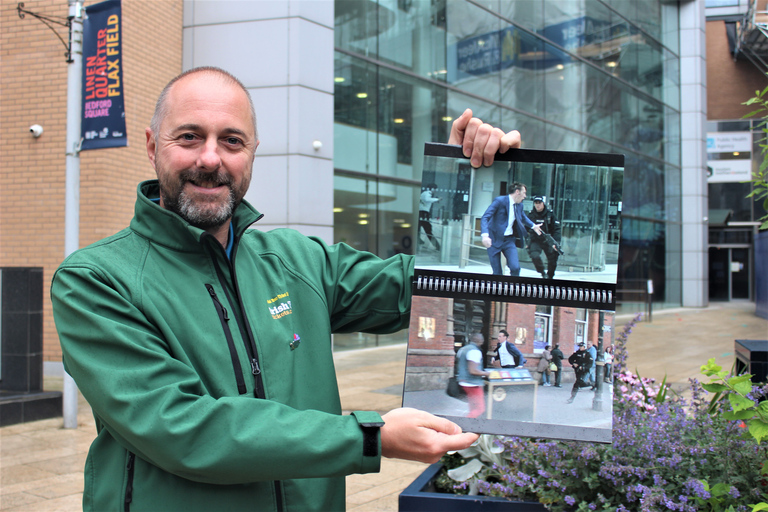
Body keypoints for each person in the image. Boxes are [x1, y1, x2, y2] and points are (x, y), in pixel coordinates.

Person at [50, 67, 522, 512]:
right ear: (153, 145)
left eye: (231, 141)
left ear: (252, 151)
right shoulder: (95, 279)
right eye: (190, 136)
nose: (210, 158)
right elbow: (181, 429)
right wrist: (368, 437)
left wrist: (477, 177)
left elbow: (417, 285)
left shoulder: (298, 262)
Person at [480, 183, 542, 275]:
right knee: (497, 272)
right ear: (517, 192)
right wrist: (485, 235)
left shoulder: (519, 205)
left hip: (509, 240)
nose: (525, 196)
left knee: (515, 268)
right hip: (494, 239)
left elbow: (523, 217)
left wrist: (533, 226)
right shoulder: (500, 201)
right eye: (524, 193)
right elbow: (485, 217)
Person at [526, 196, 562, 279]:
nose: (538, 205)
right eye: (536, 203)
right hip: (536, 239)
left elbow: (557, 229)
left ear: (543, 203)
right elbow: (526, 228)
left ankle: (550, 276)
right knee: (534, 255)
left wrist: (556, 242)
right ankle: (542, 273)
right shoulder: (531, 215)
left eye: (540, 203)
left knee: (553, 259)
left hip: (548, 240)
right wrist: (527, 240)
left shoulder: (550, 214)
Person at [457, 333, 491, 418]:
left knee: (472, 407)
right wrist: (486, 373)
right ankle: (465, 425)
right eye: (482, 339)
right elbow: (473, 370)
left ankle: (471, 425)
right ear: (480, 341)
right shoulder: (474, 351)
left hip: (463, 381)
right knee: (480, 408)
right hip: (472, 383)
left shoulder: (462, 349)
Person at [419, 183, 441, 250]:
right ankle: (437, 246)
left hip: (421, 213)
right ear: (432, 188)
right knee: (428, 230)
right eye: (435, 189)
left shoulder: (424, 193)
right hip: (424, 214)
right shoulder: (427, 193)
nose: (435, 190)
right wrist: (437, 199)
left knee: (420, 229)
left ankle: (420, 241)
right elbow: (427, 199)